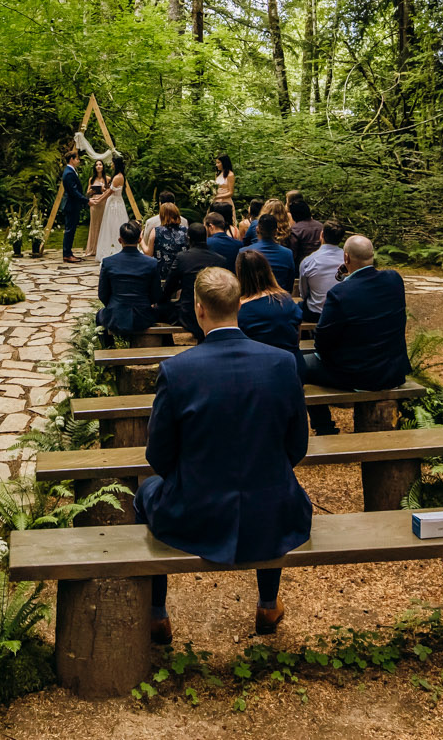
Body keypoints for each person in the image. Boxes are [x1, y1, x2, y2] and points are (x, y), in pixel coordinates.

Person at [139, 266, 311, 641]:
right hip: (273, 509)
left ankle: (156, 612)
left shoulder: (177, 370)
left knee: (144, 494)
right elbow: (297, 444)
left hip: (197, 513)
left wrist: (189, 477)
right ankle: (267, 604)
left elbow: (159, 454)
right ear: (238, 305)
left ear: (199, 308)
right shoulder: (282, 363)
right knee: (274, 483)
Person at [301, 234, 409, 433]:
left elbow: (322, 341)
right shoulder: (394, 280)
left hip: (358, 374)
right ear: (372, 255)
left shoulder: (340, 293)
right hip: (393, 370)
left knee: (297, 363)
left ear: (346, 258)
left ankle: (323, 426)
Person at [95, 219, 161, 342]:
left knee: (99, 316)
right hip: (143, 316)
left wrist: (113, 306)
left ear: (120, 240)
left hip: (116, 315)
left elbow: (103, 294)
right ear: (139, 240)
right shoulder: (151, 263)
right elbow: (156, 294)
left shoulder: (108, 262)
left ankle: (108, 347)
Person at [162, 223, 226, 337]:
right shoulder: (220, 260)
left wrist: (162, 301)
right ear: (206, 238)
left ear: (188, 238)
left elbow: (169, 286)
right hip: (214, 312)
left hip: (188, 313)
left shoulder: (182, 258)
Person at [236, 250, 304, 354]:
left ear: (240, 275)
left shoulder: (240, 309)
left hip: (260, 366)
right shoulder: (286, 299)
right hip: (293, 363)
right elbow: (297, 337)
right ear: (267, 270)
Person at [296, 219, 348, 318]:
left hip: (316, 313)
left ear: (322, 235)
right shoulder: (347, 260)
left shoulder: (308, 261)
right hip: (341, 313)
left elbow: (303, 293)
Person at [91, 155, 132, 261]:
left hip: (115, 205)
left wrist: (98, 200)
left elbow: (110, 192)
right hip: (113, 202)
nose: (111, 164)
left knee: (114, 225)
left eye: (112, 162)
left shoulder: (118, 177)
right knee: (110, 225)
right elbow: (109, 190)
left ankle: (116, 249)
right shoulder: (117, 176)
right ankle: (113, 247)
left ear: (116, 164)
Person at [243, 213, 298, 291]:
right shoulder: (287, 254)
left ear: (257, 229)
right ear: (276, 231)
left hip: (253, 298)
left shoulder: (244, 252)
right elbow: (289, 284)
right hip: (279, 298)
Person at [142, 201, 191, 287]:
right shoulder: (186, 230)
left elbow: (148, 253)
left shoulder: (156, 231)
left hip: (162, 273)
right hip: (182, 271)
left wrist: (141, 240)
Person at [56, 148, 87, 262]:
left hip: (72, 204)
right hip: (71, 205)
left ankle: (69, 252)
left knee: (71, 229)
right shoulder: (69, 173)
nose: (78, 161)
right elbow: (73, 191)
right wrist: (86, 200)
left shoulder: (70, 171)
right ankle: (67, 254)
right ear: (71, 160)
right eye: (77, 159)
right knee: (69, 230)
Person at [285, 192, 324, 264]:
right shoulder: (321, 226)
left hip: (302, 265)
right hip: (321, 262)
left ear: (294, 215)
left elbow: (293, 253)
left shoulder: (295, 230)